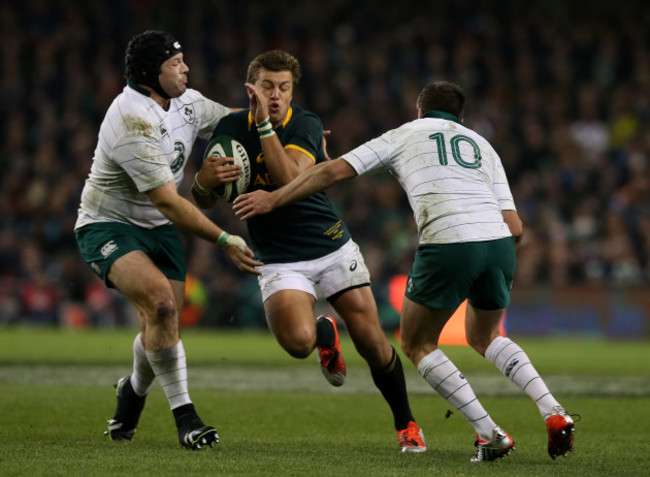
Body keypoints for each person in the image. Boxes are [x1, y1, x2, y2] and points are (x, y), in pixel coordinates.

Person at [233, 80, 578, 462]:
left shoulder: (404, 134)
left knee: (416, 343)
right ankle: (554, 412)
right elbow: (516, 226)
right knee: (487, 336)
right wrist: (492, 259)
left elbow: (332, 173)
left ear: (419, 111)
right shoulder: (483, 145)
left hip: (448, 241)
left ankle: (489, 434)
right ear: (459, 118)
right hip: (498, 245)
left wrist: (274, 199)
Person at [192, 50, 426, 453]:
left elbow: (290, 178)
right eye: (267, 86)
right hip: (278, 258)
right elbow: (208, 200)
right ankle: (322, 332)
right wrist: (202, 180)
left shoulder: (305, 122)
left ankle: (406, 424)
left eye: (284, 87)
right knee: (298, 344)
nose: (276, 94)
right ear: (252, 87)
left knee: (372, 342)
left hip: (329, 244)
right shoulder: (229, 128)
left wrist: (264, 123)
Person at [74, 30, 262, 450]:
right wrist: (226, 239)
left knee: (162, 321)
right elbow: (168, 202)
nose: (185, 69)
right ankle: (187, 419)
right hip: (109, 223)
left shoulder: (188, 103)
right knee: (160, 304)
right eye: (175, 64)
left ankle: (132, 393)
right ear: (148, 74)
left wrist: (287, 126)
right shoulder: (130, 117)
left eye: (183, 61)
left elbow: (237, 122)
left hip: (157, 230)